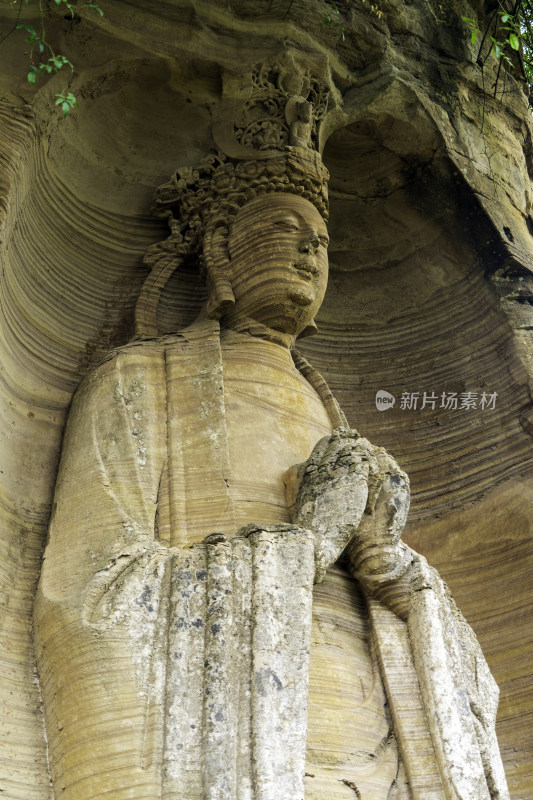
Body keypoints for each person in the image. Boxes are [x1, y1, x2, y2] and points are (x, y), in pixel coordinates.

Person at [34, 150, 509, 800]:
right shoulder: (137, 379)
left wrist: (386, 563)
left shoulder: (328, 409)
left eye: (321, 242)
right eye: (287, 229)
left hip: (371, 712)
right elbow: (89, 591)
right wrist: (302, 548)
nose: (311, 254)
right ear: (222, 249)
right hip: (236, 715)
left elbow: (420, 623)